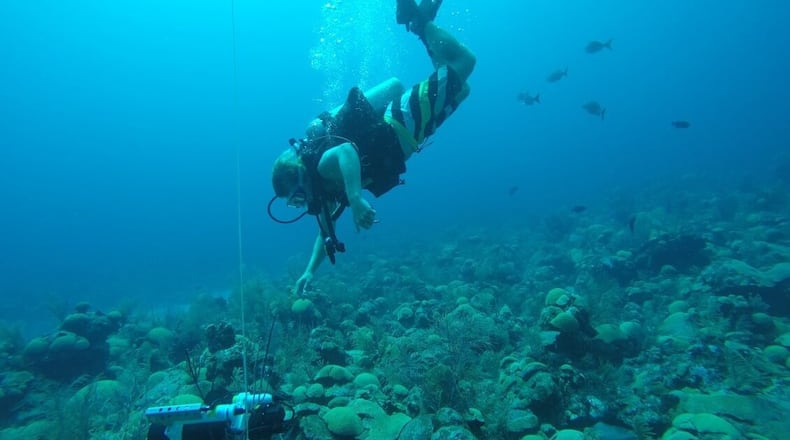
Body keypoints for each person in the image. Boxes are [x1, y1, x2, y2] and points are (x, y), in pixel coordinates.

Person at [268, 0, 476, 294]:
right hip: (411, 133)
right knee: (460, 87)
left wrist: (354, 199)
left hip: (401, 122)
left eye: (296, 197)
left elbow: (346, 152)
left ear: (300, 179)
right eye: (294, 203)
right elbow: (325, 230)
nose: (300, 204)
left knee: (465, 63)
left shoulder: (322, 168)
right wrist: (309, 272)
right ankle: (420, 25)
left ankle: (419, 22)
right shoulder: (323, 193)